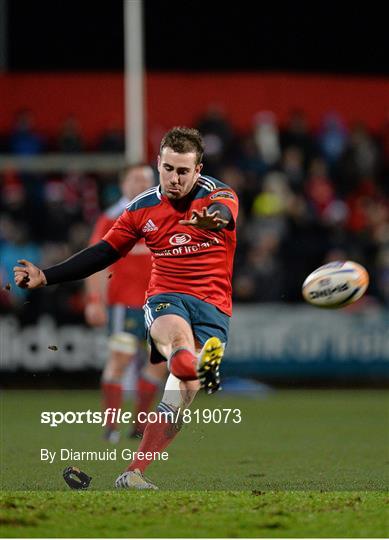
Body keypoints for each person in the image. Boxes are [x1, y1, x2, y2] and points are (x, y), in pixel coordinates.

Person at [14, 127, 239, 490]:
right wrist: (46, 276)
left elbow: (222, 214)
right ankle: (184, 359)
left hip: (215, 305)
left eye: (183, 171)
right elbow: (102, 253)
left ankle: (133, 473)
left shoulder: (220, 194)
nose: (174, 179)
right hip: (167, 295)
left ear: (198, 170)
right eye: (168, 169)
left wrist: (208, 220)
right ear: (159, 164)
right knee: (176, 342)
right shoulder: (141, 209)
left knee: (182, 394)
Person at [85, 164, 167, 443]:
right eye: (135, 179)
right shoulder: (110, 218)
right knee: (119, 359)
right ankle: (110, 428)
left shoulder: (164, 213)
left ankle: (138, 425)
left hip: (159, 306)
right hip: (125, 305)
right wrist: (95, 299)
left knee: (159, 364)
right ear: (123, 184)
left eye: (146, 179)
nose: (140, 184)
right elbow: (94, 263)